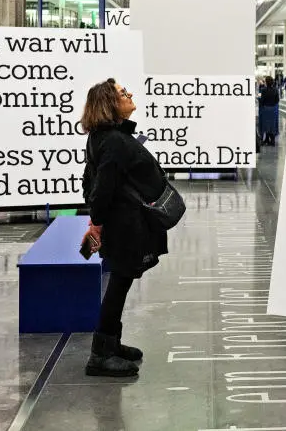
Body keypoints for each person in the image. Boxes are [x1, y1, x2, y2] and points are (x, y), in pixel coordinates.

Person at [80, 78, 169, 378]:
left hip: (123, 222)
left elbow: (90, 181)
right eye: (122, 93)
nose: (129, 94)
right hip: (123, 225)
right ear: (109, 104)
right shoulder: (114, 141)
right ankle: (100, 355)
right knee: (118, 284)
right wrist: (97, 225)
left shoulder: (103, 136)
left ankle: (111, 344)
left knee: (121, 282)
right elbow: (101, 189)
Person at [258, 76, 280, 146]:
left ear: (266, 82)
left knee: (266, 124)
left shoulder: (263, 90)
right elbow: (277, 100)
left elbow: (261, 100)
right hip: (273, 110)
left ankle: (267, 139)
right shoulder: (276, 90)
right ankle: (272, 140)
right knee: (272, 125)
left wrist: (258, 98)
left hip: (266, 109)